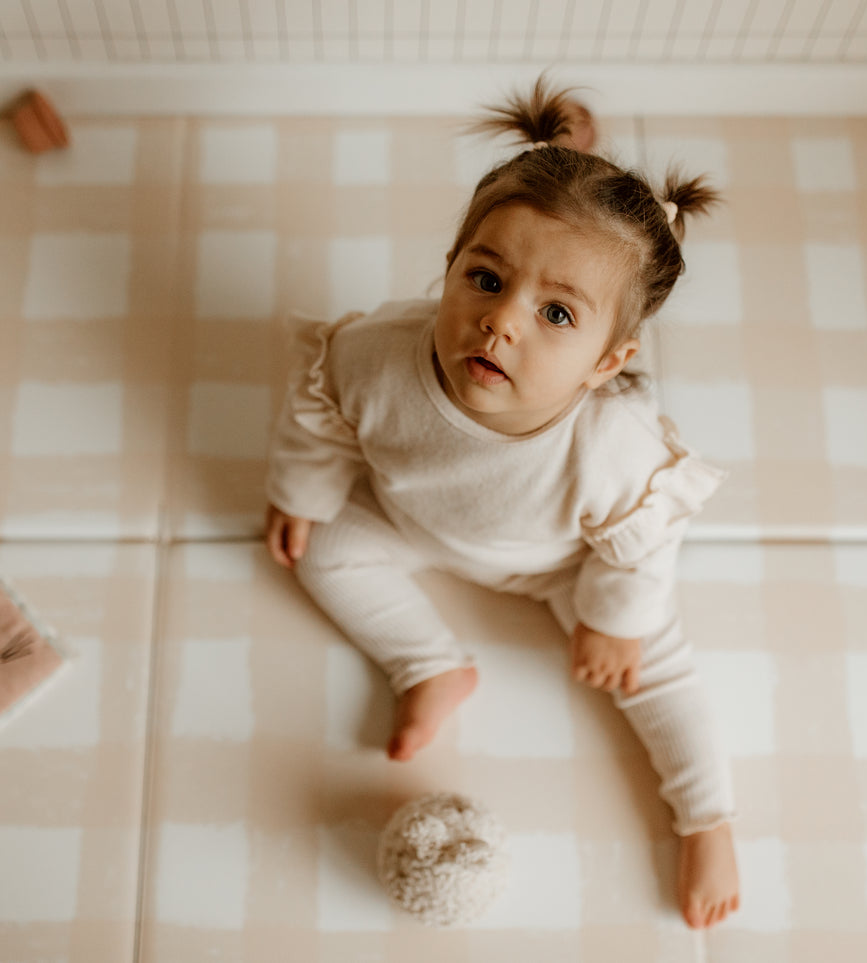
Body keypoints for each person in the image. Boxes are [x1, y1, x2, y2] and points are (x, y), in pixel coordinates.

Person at [263, 77, 740, 929]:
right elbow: (320, 413)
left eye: (556, 312)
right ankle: (430, 664)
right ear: (448, 267)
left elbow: (641, 547)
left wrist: (610, 616)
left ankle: (704, 815)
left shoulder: (612, 449)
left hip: (562, 565)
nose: (501, 323)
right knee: (318, 546)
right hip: (409, 519)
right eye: (485, 279)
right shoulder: (374, 355)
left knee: (654, 667)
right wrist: (304, 488)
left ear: (606, 359)